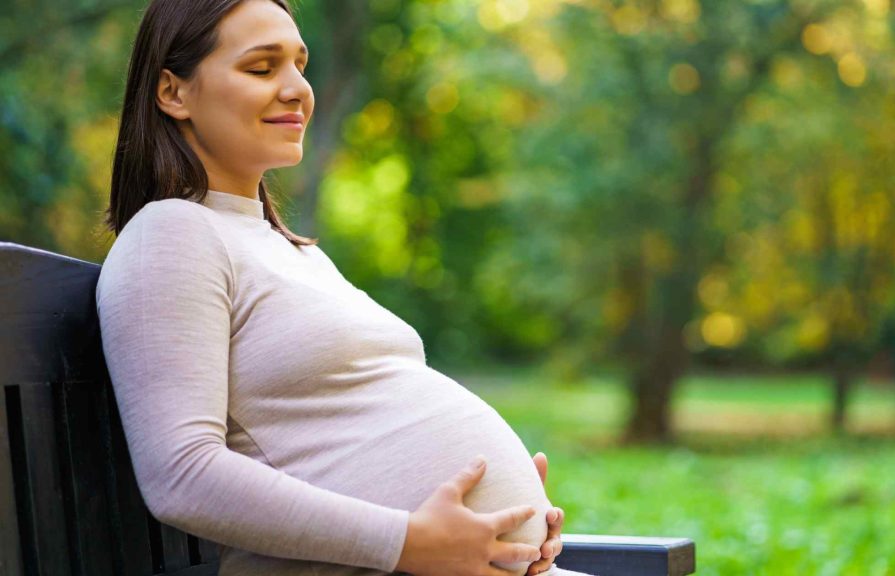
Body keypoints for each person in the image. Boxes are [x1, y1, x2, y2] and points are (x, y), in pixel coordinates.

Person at [94, 1, 591, 575]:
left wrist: (514, 525)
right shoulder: (171, 234)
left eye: (299, 66)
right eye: (262, 68)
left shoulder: (289, 249)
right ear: (173, 92)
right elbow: (182, 474)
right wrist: (409, 541)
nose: (297, 90)